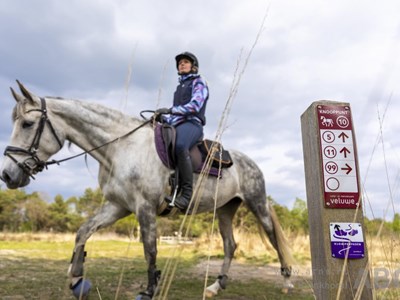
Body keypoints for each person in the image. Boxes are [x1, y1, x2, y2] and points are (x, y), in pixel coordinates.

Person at [155, 51, 209, 210]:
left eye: (185, 62)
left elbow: (195, 106)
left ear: (194, 67)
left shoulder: (199, 82)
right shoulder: (179, 88)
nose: (182, 64)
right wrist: (163, 118)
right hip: (178, 124)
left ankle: (186, 195)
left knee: (180, 146)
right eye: (180, 63)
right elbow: (175, 115)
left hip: (193, 124)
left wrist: (170, 110)